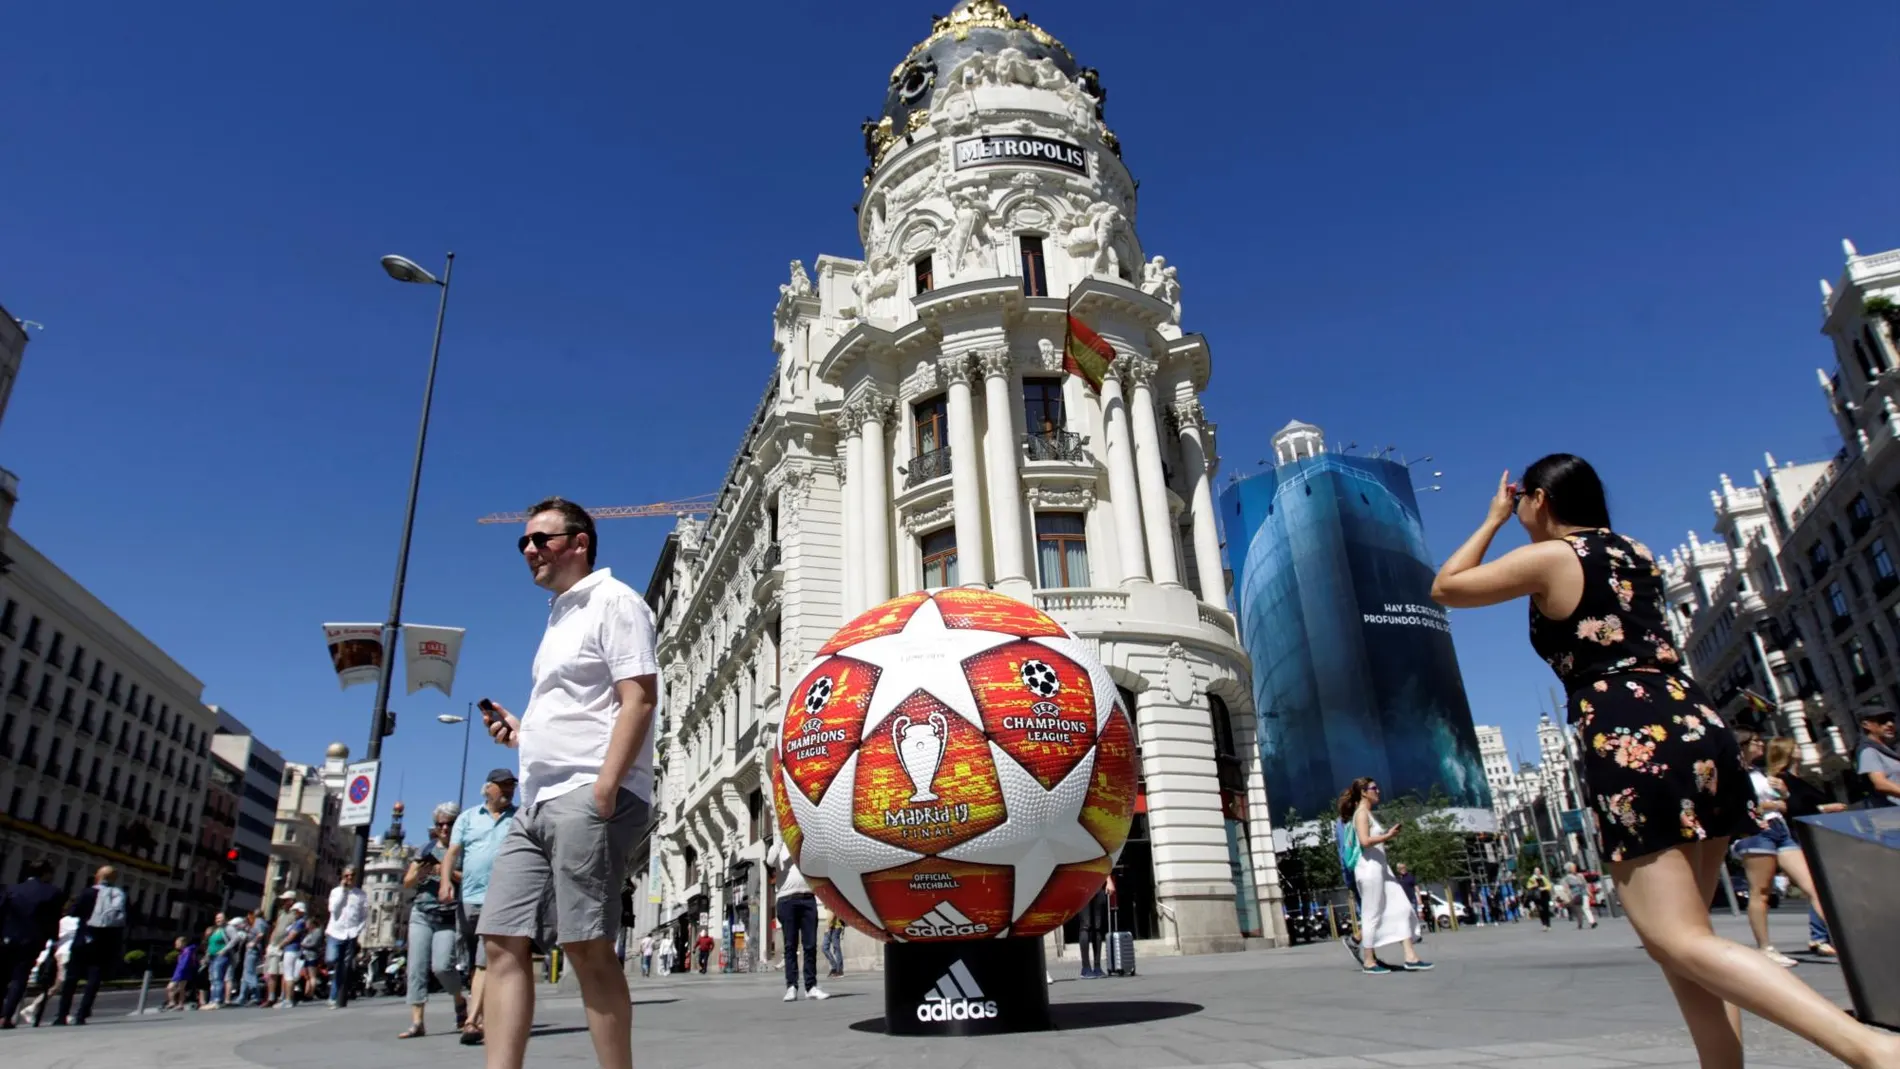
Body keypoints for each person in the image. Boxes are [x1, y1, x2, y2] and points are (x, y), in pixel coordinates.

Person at [1430, 454, 1900, 1068]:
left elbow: (1447, 586)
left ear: (1540, 500)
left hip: (1630, 732)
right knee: (1685, 942)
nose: (1516, 509)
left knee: (1675, 937)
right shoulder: (1637, 551)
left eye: (1521, 499)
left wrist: (1491, 520)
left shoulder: (1554, 555)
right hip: (1694, 720)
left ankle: (1870, 1049)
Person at [475, 498, 659, 1069]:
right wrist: (520, 734)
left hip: (587, 794)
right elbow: (578, 709)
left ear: (580, 543)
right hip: (535, 803)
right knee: (502, 941)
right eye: (524, 542)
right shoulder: (558, 615)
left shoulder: (615, 600)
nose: (529, 549)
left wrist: (605, 788)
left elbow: (640, 696)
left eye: (542, 539)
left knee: (585, 945)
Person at [1729, 730, 1829, 968]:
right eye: (1755, 741)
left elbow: (1783, 804)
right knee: (1761, 891)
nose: (1760, 743)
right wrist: (1771, 804)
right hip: (1756, 831)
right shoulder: (1733, 773)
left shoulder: (1759, 772)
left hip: (1779, 828)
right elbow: (1737, 804)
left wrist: (1783, 794)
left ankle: (1837, 939)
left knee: (1815, 886)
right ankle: (1765, 947)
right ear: (1741, 746)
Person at [442, 768, 519, 1046]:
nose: (509, 791)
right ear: (488, 788)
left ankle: (473, 1020)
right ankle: (484, 1013)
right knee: (476, 963)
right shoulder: (468, 818)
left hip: (501, 898)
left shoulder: (518, 817)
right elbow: (452, 852)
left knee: (485, 959)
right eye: (503, 786)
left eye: (511, 786)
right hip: (468, 898)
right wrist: (445, 882)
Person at [1338, 778, 1429, 973]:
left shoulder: (1367, 813)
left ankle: (1411, 957)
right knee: (1372, 914)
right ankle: (1369, 961)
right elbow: (1364, 841)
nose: (1377, 790)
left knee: (1402, 907)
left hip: (1382, 870)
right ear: (1363, 792)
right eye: (1373, 788)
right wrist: (1387, 836)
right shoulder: (1361, 813)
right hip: (1369, 870)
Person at [1772, 738, 1846, 957]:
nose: (1800, 750)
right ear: (1785, 752)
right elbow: (1791, 808)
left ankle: (1819, 936)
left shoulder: (1797, 778)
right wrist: (1825, 808)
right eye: (1795, 747)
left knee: (1820, 886)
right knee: (1817, 886)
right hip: (1800, 836)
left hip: (1813, 834)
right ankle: (1820, 936)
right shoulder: (1782, 779)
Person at [400, 803, 467, 1039]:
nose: (445, 828)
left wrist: (445, 872)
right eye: (441, 824)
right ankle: (417, 1021)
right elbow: (407, 882)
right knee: (416, 967)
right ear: (436, 827)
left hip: (448, 916)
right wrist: (422, 872)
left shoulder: (463, 850)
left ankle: (460, 1000)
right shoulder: (425, 848)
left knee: (442, 967)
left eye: (450, 823)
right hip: (421, 913)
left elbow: (470, 877)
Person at [54, 865, 130, 1026]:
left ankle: (62, 1014)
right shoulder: (119, 895)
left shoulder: (87, 893)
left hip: (83, 939)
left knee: (72, 978)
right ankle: (81, 1015)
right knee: (94, 979)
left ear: (98, 876)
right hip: (104, 942)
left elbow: (73, 912)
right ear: (114, 879)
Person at [1, 860, 63, 1029]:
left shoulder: (12, 889)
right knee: (19, 978)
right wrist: (54, 940)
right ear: (47, 873)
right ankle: (5, 1016)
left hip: (7, 939)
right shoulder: (53, 892)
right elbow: (53, 920)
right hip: (32, 940)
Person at [766, 836, 827, 1001]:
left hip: (808, 898)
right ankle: (791, 986)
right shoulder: (778, 846)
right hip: (787, 900)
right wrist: (780, 838)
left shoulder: (805, 843)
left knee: (810, 945)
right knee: (790, 946)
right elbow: (770, 861)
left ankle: (811, 987)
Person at [326, 867, 369, 1008]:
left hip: (350, 933)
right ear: (342, 876)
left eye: (352, 875)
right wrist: (343, 892)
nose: (349, 878)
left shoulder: (361, 895)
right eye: (347, 875)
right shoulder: (335, 892)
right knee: (331, 959)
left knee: (343, 967)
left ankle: (333, 996)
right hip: (335, 932)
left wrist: (358, 929)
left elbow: (364, 914)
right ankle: (333, 986)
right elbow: (333, 909)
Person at [1855, 706, 1900, 806]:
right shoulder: (1868, 751)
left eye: (1891, 720)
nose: (1890, 724)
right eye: (1882, 720)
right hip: (1890, 816)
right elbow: (1880, 783)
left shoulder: (1889, 750)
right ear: (1866, 725)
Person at [262, 891, 297, 1006]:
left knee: (283, 973)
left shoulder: (294, 915)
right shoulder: (281, 912)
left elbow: (293, 932)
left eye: (285, 900)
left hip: (284, 946)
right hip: (274, 945)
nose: (283, 902)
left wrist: (283, 944)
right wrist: (270, 943)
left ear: (291, 901)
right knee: (271, 972)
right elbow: (276, 928)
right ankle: (271, 997)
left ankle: (283, 997)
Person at [1077, 878, 1112, 978]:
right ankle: (1086, 968)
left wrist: (1109, 881)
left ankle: (1097, 967)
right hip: (1081, 887)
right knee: (1085, 925)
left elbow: (1104, 862)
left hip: (1097, 885)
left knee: (1097, 927)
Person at [277, 903, 309, 1008]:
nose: (294, 913)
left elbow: (291, 936)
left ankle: (288, 1000)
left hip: (292, 950)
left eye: (295, 911)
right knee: (288, 975)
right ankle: (288, 999)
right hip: (292, 950)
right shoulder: (298, 922)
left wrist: (280, 945)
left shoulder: (300, 922)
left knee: (288, 975)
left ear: (300, 911)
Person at [1562, 863, 1596, 929]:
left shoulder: (1580, 875)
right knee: (1578, 910)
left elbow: (1585, 884)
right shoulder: (1566, 878)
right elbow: (1566, 888)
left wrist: (1589, 892)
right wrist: (1569, 895)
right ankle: (1580, 923)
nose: (1574, 868)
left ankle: (1592, 922)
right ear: (1569, 869)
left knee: (1586, 908)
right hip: (1575, 895)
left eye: (1574, 867)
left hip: (1583, 893)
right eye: (1572, 867)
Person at [821, 909, 845, 979]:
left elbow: (832, 913)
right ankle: (835, 968)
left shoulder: (829, 899)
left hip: (835, 927)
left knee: (836, 948)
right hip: (831, 927)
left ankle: (839, 970)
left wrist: (828, 927)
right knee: (825, 948)